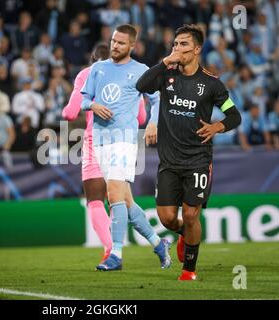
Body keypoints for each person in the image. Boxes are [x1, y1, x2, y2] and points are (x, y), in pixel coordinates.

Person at [136, 24, 242, 280]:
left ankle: (189, 271)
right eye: (175, 44)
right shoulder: (166, 75)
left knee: (192, 214)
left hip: (198, 160)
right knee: (168, 219)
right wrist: (164, 62)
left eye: (183, 44)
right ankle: (184, 234)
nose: (177, 48)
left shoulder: (212, 84)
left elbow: (234, 115)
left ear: (197, 49)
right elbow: (141, 85)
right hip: (169, 161)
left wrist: (218, 126)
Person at [81, 24, 171, 271]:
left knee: (113, 195)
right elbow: (83, 99)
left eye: (121, 43)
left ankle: (116, 255)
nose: (115, 46)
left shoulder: (140, 71)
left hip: (124, 139)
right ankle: (158, 243)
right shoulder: (98, 69)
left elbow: (157, 98)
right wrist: (93, 106)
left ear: (132, 46)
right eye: (113, 41)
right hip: (100, 140)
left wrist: (153, 123)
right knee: (126, 200)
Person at [63, 43, 148, 262]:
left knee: (95, 200)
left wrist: (74, 106)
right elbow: (141, 119)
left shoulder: (86, 74)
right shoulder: (131, 75)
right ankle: (156, 242)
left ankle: (111, 249)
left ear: (93, 59)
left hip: (96, 141)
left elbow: (71, 114)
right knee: (121, 199)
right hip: (124, 141)